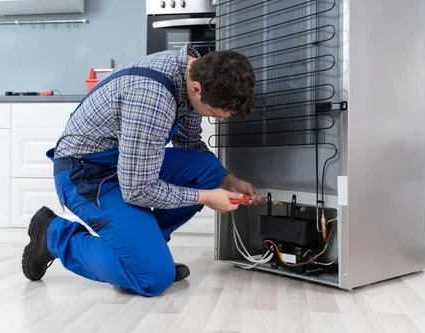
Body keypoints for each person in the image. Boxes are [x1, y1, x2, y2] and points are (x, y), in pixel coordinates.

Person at [21, 44, 261, 297]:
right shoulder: (152, 98)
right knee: (152, 278)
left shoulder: (193, 71)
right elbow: (138, 190)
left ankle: (143, 251)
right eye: (215, 114)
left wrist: (226, 180)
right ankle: (54, 236)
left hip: (126, 166)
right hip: (87, 174)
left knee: (209, 172)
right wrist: (206, 197)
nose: (218, 120)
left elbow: (189, 144)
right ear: (196, 89)